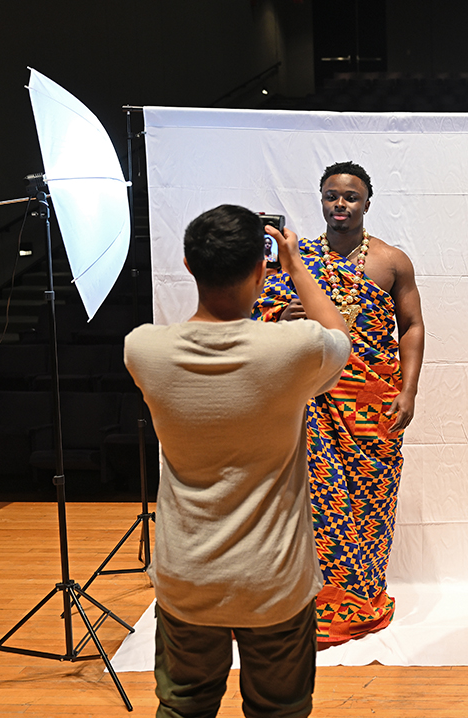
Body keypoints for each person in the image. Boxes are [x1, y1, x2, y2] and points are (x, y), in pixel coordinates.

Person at [125, 205, 351, 717]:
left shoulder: (142, 349)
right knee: (280, 709)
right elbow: (341, 336)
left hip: (187, 576)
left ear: (187, 264)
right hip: (273, 578)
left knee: (184, 707)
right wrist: (296, 266)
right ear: (261, 268)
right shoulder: (294, 349)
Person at [254, 161, 425, 647]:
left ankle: (364, 597)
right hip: (313, 399)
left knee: (371, 501)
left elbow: (412, 326)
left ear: (367, 202)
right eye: (331, 196)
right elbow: (255, 318)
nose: (340, 205)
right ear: (321, 199)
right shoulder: (297, 260)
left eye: (350, 197)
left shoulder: (392, 262)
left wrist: (408, 390)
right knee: (318, 505)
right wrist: (283, 317)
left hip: (375, 403)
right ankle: (315, 599)